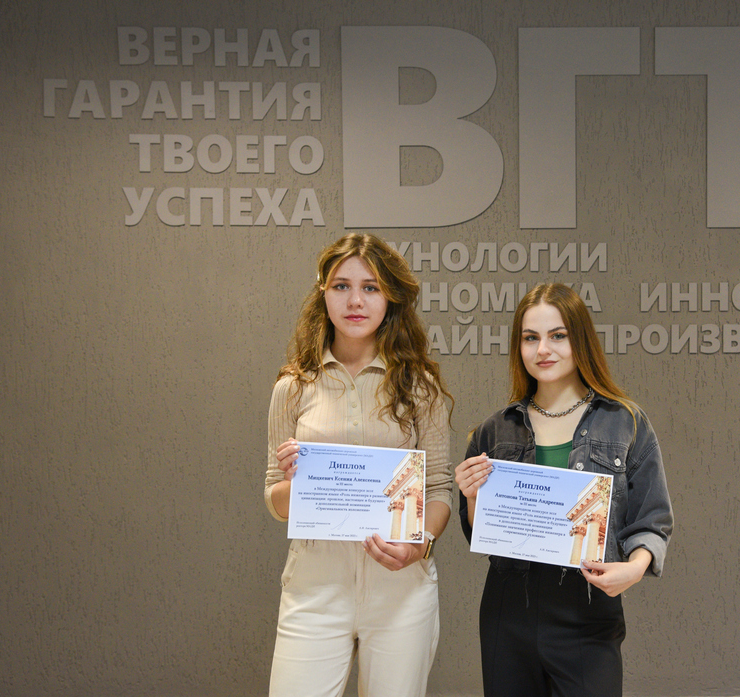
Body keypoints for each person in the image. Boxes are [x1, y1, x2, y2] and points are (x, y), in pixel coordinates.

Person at [455, 283, 673, 697]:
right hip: (508, 610)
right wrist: (471, 497)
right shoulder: (494, 430)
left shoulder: (625, 422)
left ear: (580, 340)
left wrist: (635, 568)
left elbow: (653, 518)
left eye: (558, 336)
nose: (543, 350)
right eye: (530, 338)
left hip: (588, 609)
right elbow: (477, 532)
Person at [263, 233, 453, 697]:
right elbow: (275, 499)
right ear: (323, 293)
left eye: (370, 287)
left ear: (390, 297)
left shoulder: (420, 385)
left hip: (400, 590)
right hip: (314, 588)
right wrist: (297, 483)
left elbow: (439, 489)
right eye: (341, 286)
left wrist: (421, 545)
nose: (355, 301)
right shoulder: (293, 386)